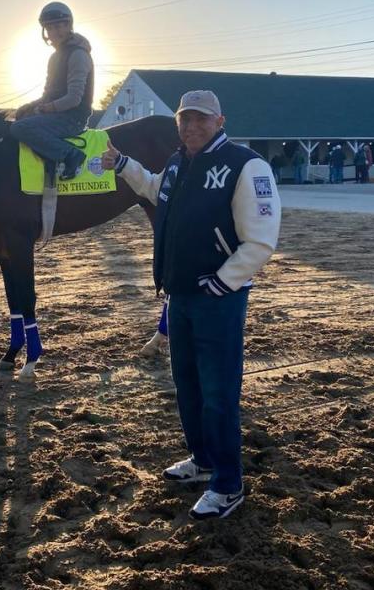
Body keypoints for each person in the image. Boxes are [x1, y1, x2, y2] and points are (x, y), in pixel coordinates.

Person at [101, 90, 281, 520]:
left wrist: (222, 283)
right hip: (178, 296)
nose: (192, 127)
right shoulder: (180, 162)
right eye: (185, 120)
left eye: (201, 119)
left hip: (217, 300)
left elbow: (261, 239)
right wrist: (124, 165)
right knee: (188, 385)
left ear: (220, 120)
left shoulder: (246, 165)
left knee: (219, 394)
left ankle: (228, 483)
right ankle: (202, 461)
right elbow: (154, 188)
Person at [9, 1, 94, 181]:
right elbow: (48, 95)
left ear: (69, 26)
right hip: (57, 115)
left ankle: (71, 156)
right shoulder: (55, 57)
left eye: (59, 26)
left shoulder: (78, 55)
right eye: (50, 28)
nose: (55, 32)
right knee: (19, 119)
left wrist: (46, 109)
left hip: (72, 118)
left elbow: (73, 99)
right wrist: (29, 106)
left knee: (20, 128)